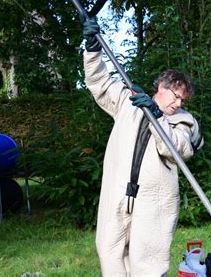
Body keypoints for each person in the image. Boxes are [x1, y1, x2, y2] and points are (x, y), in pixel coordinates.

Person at [82, 16, 204, 276]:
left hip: (154, 201)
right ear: (161, 87)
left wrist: (158, 117)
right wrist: (92, 50)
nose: (179, 102)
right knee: (110, 252)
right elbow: (99, 83)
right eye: (176, 95)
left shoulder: (184, 121)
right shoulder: (129, 102)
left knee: (146, 263)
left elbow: (178, 149)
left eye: (183, 99)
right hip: (117, 192)